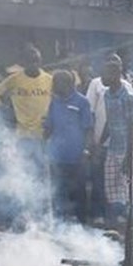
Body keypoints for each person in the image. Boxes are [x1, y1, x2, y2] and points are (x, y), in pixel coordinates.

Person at [85, 53, 133, 225]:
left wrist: (130, 151)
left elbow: (132, 122)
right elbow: (97, 115)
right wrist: (95, 141)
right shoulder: (99, 87)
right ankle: (102, 215)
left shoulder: (127, 91)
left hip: (124, 144)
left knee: (122, 182)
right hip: (105, 141)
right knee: (102, 179)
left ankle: (120, 217)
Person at [43, 70, 93, 222]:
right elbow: (49, 128)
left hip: (77, 158)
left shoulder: (82, 102)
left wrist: (86, 150)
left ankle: (82, 227)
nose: (53, 87)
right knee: (58, 193)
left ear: (68, 84)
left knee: (79, 194)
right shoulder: (54, 102)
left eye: (56, 83)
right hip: (57, 158)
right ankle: (60, 227)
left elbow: (88, 129)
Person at [100, 59, 133, 226]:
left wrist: (128, 156)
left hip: (129, 147)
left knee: (128, 187)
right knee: (111, 186)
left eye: (106, 73)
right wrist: (99, 144)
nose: (102, 77)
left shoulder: (128, 97)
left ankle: (131, 224)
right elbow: (109, 121)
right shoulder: (107, 95)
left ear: (116, 75)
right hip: (114, 146)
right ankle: (117, 222)